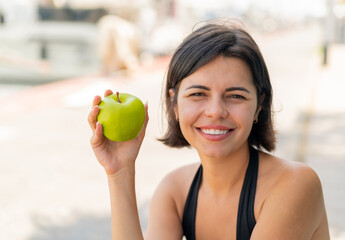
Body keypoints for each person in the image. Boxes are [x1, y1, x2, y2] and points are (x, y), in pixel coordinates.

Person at [88, 20, 330, 240]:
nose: (215, 111)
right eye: (198, 94)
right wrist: (120, 172)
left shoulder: (295, 185)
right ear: (175, 105)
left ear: (259, 106)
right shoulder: (174, 191)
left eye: (235, 95)